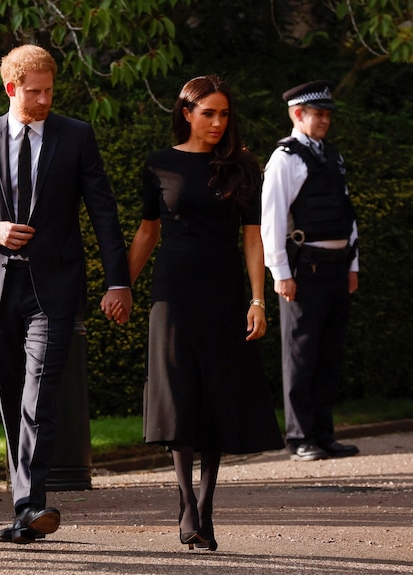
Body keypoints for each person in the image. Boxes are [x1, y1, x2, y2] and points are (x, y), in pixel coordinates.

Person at [0, 44, 132, 545]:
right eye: (36, 91)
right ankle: (23, 512)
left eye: (50, 90)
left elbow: (104, 211)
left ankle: (30, 504)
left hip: (53, 291)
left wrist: (119, 281)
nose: (46, 99)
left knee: (39, 395)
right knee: (11, 401)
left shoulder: (75, 136)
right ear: (12, 89)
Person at [127, 75, 283, 552]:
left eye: (224, 114)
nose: (218, 122)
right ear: (187, 113)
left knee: (216, 396)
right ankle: (187, 507)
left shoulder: (242, 167)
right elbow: (147, 231)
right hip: (171, 295)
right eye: (208, 113)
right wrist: (120, 286)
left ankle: (206, 509)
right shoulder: (158, 165)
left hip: (223, 294)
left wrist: (258, 300)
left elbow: (253, 238)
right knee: (177, 396)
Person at [261, 81, 360, 462]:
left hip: (336, 267)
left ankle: (323, 434)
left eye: (327, 115)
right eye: (318, 114)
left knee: (329, 354)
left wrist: (353, 264)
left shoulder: (331, 156)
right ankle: (299, 437)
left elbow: (347, 214)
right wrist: (280, 273)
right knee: (301, 354)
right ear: (297, 114)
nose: (324, 121)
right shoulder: (285, 158)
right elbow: (271, 220)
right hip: (305, 269)